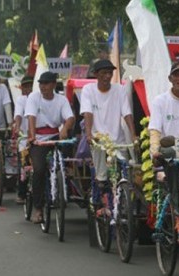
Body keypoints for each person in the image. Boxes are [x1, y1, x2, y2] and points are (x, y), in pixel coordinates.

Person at [25, 71, 75, 223]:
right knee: (39, 170)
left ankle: (64, 180)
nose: (43, 87)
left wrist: (65, 129)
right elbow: (31, 117)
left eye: (46, 84)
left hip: (55, 136)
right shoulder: (34, 97)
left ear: (53, 84)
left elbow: (70, 118)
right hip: (39, 139)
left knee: (69, 147)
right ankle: (38, 208)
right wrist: (32, 136)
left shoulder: (61, 100)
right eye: (41, 84)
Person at [80, 59, 137, 184]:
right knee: (102, 176)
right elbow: (87, 113)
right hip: (98, 139)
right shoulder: (88, 90)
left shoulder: (119, 89)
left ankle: (123, 198)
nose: (107, 76)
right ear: (96, 74)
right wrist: (89, 134)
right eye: (104, 73)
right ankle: (101, 188)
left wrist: (133, 135)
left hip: (117, 139)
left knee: (123, 169)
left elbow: (127, 113)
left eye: (110, 73)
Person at [13, 75, 33, 204]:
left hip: (40, 137)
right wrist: (17, 127)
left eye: (30, 86)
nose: (28, 89)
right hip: (25, 137)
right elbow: (18, 114)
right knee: (24, 165)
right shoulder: (21, 100)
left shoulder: (39, 97)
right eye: (25, 86)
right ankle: (21, 193)